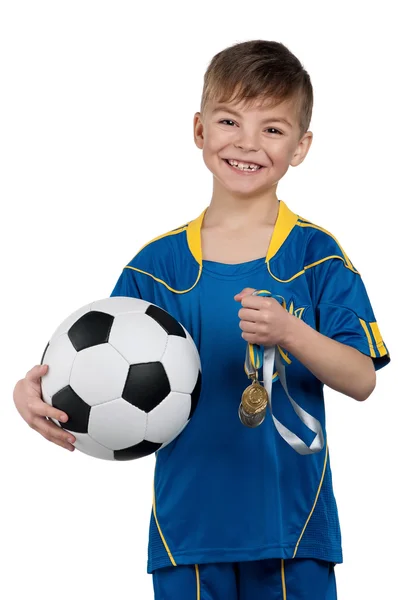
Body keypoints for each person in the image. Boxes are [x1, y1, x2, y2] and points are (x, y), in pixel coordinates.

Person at [13, 40, 390, 600]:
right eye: (229, 120)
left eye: (273, 129)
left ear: (302, 146)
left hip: (292, 531)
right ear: (199, 130)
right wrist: (30, 391)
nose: (246, 142)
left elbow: (363, 379)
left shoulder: (317, 256)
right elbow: (88, 368)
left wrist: (292, 332)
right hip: (186, 534)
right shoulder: (157, 268)